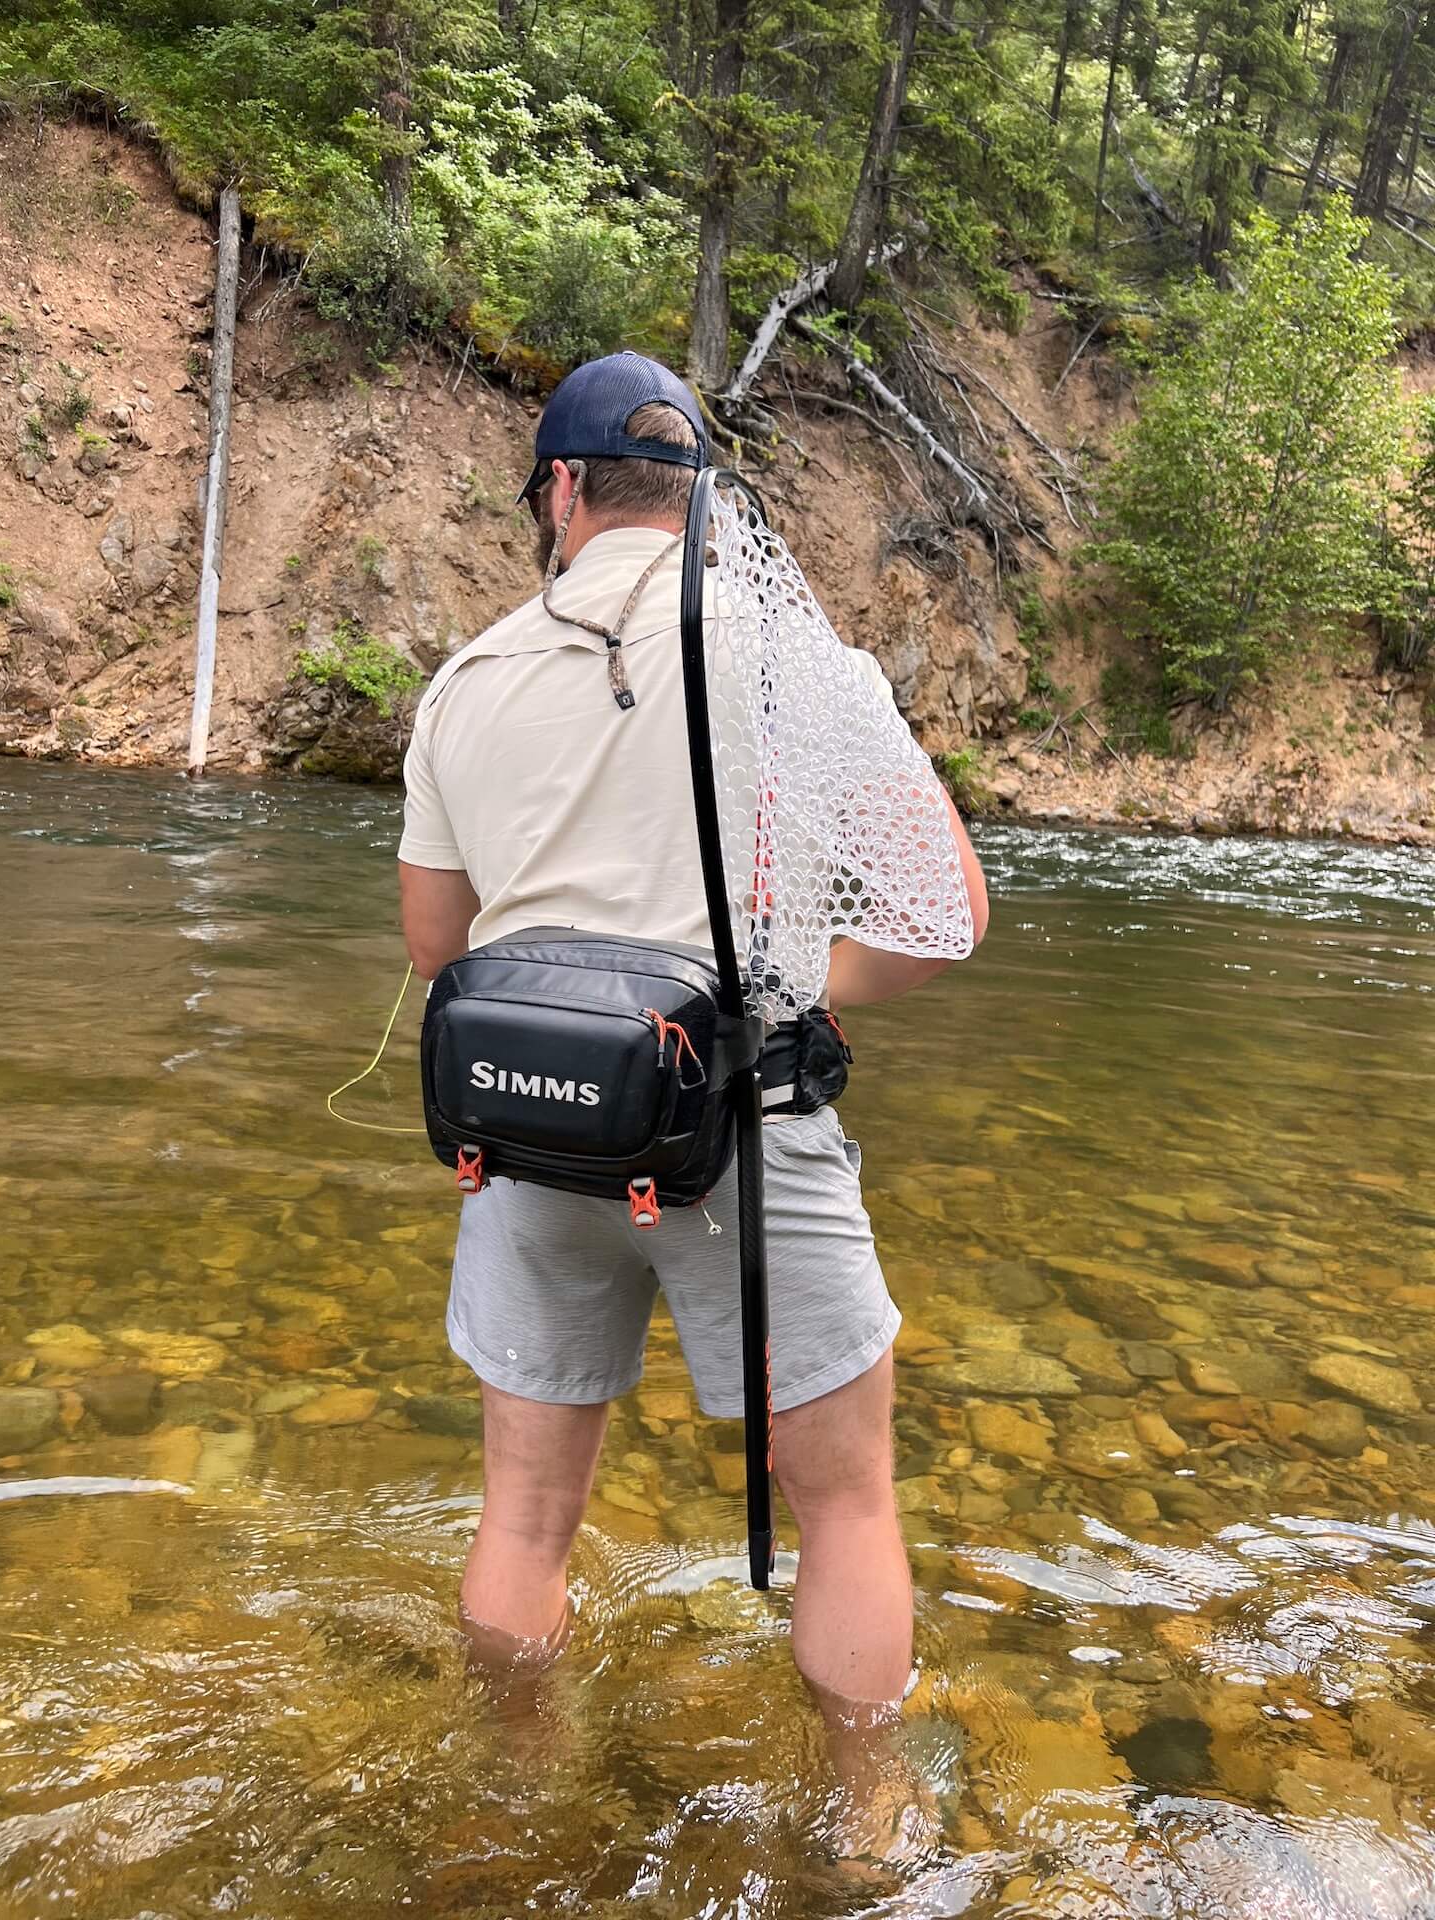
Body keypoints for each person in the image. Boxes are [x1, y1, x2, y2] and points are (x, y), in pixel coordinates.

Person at [397, 351, 988, 1724]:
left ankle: (511, 1802)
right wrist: (789, 979)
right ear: (701, 497)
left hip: (532, 1141)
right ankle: (857, 1827)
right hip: (742, 1134)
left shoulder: (467, 681)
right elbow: (940, 916)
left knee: (528, 1518)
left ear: (561, 490)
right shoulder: (784, 651)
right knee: (842, 1507)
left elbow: (439, 949)